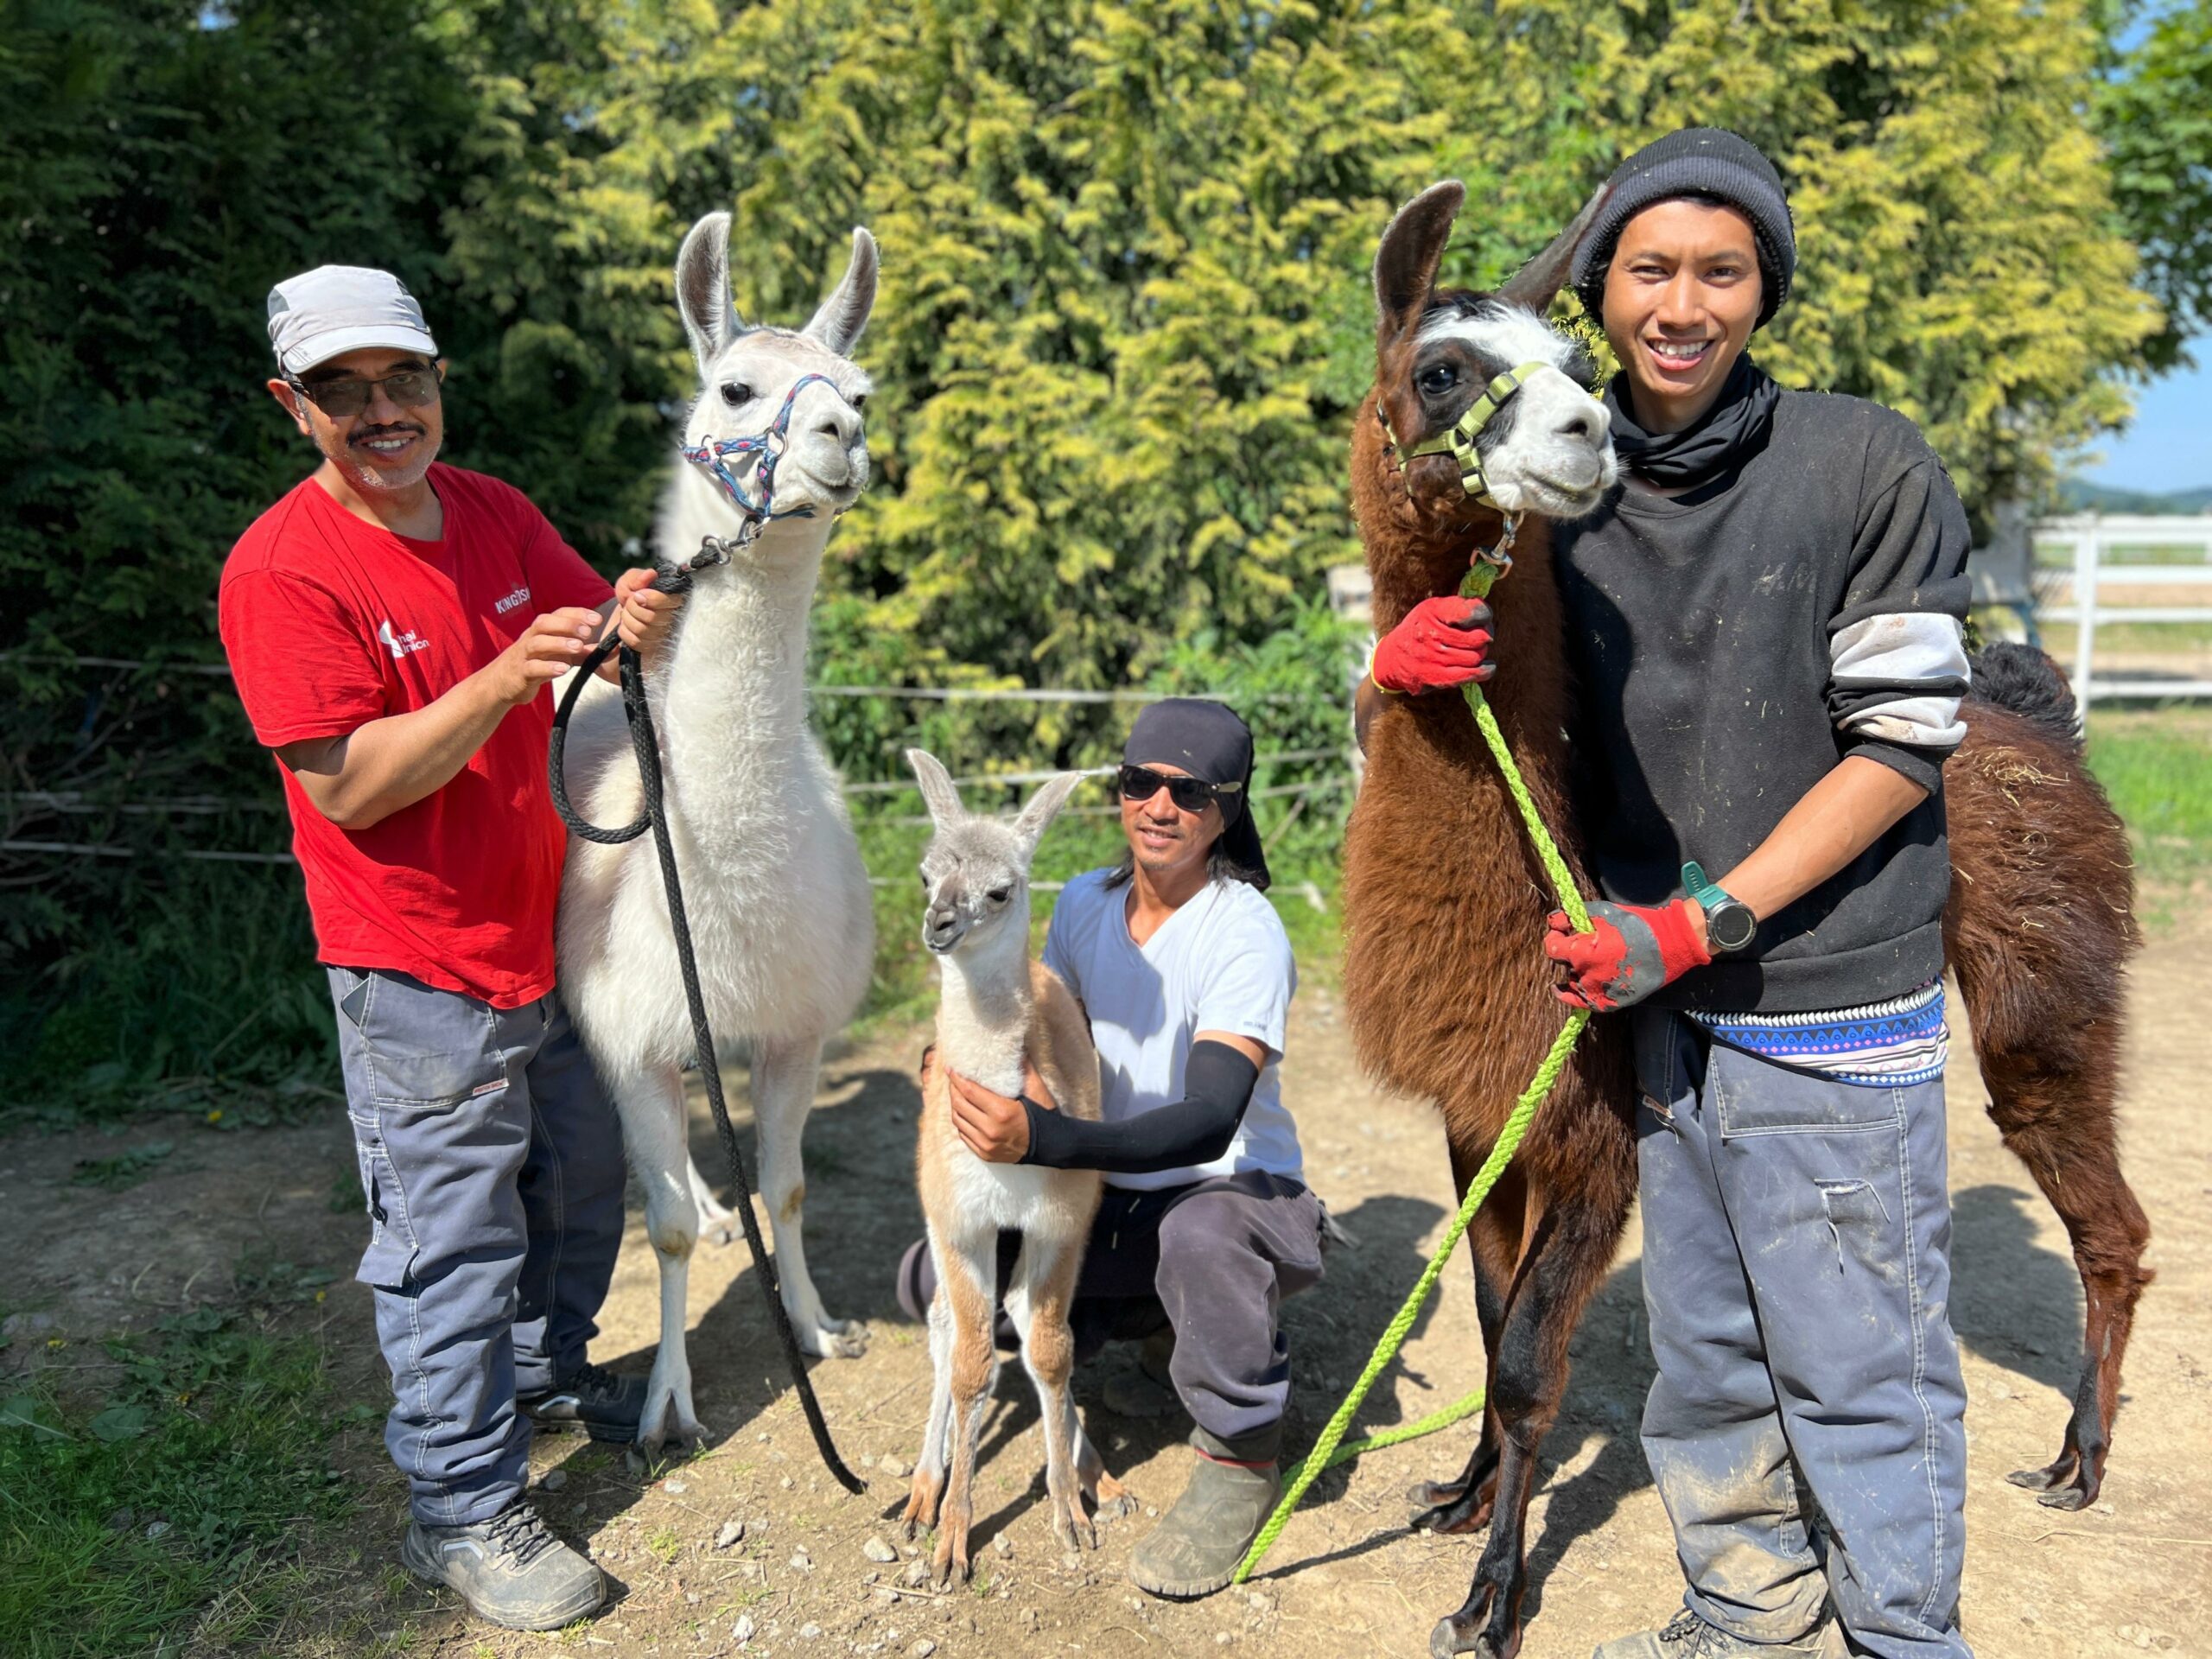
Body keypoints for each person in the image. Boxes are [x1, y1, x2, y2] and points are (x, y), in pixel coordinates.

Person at [1370, 130, 1974, 1659]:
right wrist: (1385, 669)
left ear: (1764, 287)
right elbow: (1453, 597)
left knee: (1856, 1364)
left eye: (1722, 269)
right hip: (1647, 1002)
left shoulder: (1861, 461)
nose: (1683, 303)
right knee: (1704, 1353)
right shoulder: (1564, 483)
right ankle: (1743, 1615)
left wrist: (1697, 923)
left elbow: (1904, 745)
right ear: (1609, 290)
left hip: (1818, 990)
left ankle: (1906, 1635)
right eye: (1649, 270)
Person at [218, 265, 683, 1631]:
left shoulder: (491, 510)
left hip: (553, 935)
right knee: (452, 1240)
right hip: (416, 961)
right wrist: (495, 680)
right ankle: (461, 1508)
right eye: (344, 390)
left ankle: (545, 1378)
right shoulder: (282, 570)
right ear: (292, 405)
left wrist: (626, 626)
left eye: (405, 380)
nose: (384, 412)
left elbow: (588, 639)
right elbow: (348, 787)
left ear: (438, 384)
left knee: (580, 1180)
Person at [893, 698, 1326, 1599]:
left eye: (1190, 792)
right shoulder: (1088, 905)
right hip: (1103, 1181)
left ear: (1226, 810)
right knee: (942, 1280)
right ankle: (1145, 1325)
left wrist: (1045, 1137)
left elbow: (1208, 1117)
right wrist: (958, 1067)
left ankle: (1238, 1460)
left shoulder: (1243, 931)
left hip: (1219, 1183)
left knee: (1199, 1244)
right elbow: (1052, 1034)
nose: (1159, 807)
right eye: (1140, 783)